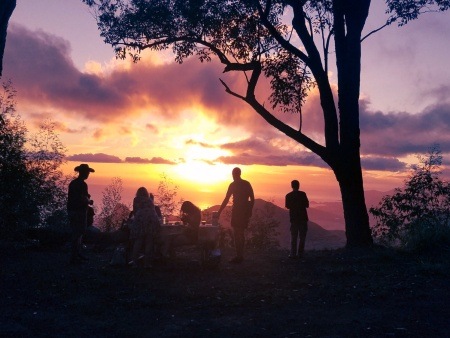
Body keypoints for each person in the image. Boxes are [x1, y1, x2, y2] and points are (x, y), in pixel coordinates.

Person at [217, 167, 254, 263]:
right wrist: (249, 211)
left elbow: (226, 199)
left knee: (237, 233)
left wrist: (219, 211)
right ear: (240, 173)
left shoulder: (233, 185)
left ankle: (239, 256)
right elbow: (252, 199)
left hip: (237, 211)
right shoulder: (246, 183)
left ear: (233, 174)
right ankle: (240, 255)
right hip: (244, 212)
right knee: (240, 233)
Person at [67, 163, 95, 265]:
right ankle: (74, 256)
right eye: (87, 172)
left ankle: (77, 254)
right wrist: (89, 201)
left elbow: (75, 197)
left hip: (71, 210)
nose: (88, 174)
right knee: (78, 233)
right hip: (79, 211)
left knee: (76, 232)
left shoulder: (73, 183)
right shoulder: (83, 184)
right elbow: (83, 198)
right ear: (84, 173)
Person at [129, 187, 160, 269]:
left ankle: (134, 263)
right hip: (152, 220)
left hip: (141, 220)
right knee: (149, 242)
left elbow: (135, 212)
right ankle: (147, 264)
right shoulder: (149, 200)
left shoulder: (136, 199)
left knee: (138, 241)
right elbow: (153, 210)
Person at [285, 179, 309, 258]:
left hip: (294, 218)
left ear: (292, 186)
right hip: (303, 218)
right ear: (299, 186)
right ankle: (300, 254)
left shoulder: (288, 195)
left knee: (294, 237)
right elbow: (307, 205)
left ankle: (293, 254)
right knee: (302, 237)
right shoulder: (303, 194)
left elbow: (287, 206)